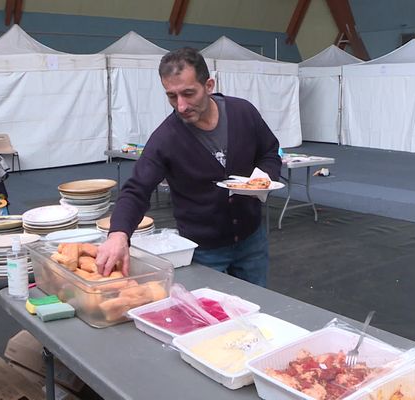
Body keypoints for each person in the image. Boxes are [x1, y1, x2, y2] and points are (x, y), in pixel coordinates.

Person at [96, 47, 281, 287]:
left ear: (209, 85)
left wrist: (264, 179)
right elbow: (136, 190)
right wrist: (119, 233)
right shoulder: (166, 138)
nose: (181, 106)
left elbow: (269, 151)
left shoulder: (242, 113)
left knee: (257, 309)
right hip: (203, 250)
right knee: (212, 318)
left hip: (251, 240)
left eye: (188, 93)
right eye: (172, 96)